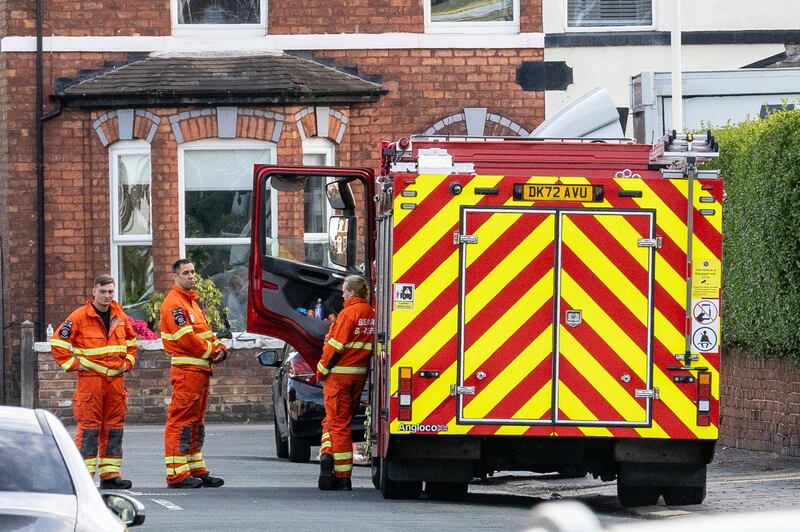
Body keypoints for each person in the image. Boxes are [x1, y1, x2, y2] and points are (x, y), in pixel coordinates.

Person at [49, 274, 137, 489]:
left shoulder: (120, 316)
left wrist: (128, 363)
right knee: (89, 429)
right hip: (91, 381)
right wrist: (75, 365)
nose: (107, 296)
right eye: (103, 291)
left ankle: (110, 474)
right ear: (94, 291)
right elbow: (58, 343)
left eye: (110, 292)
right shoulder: (79, 316)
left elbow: (132, 342)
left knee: (114, 428)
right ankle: (83, 478)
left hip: (116, 381)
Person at [160, 259, 228, 489]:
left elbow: (206, 333)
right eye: (186, 273)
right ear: (176, 277)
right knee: (181, 421)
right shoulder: (175, 305)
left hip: (199, 372)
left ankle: (195, 468)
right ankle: (177, 474)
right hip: (187, 371)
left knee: (196, 422)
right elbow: (187, 339)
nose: (191, 276)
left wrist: (220, 349)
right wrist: (212, 352)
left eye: (193, 271)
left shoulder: (192, 304)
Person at [316, 275, 375, 491]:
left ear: (351, 292)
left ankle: (342, 476)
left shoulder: (348, 314)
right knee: (334, 420)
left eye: (344, 291)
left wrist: (321, 371)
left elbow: (335, 347)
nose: (342, 294)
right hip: (358, 376)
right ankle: (326, 454)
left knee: (338, 424)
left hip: (339, 377)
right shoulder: (371, 313)